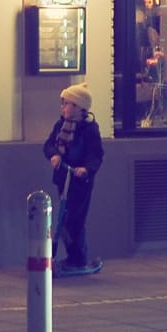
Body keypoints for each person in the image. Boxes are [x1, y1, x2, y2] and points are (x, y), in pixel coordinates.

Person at [44, 82, 105, 276]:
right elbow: (49, 145)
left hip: (80, 182)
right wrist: (54, 155)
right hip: (63, 178)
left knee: (75, 221)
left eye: (67, 103)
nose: (63, 107)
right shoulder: (60, 125)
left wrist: (86, 169)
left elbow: (96, 155)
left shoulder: (89, 129)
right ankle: (73, 256)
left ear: (79, 107)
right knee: (62, 220)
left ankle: (78, 258)